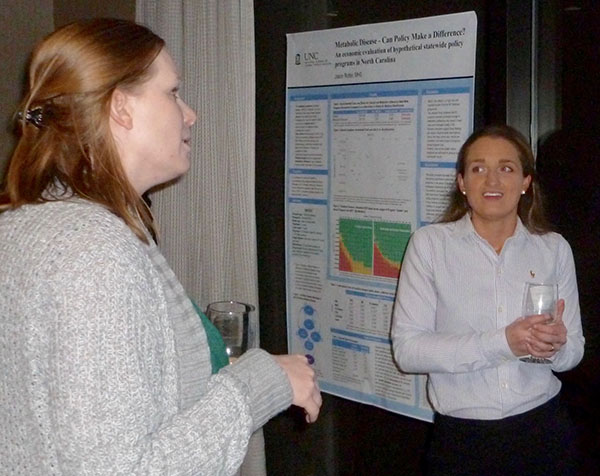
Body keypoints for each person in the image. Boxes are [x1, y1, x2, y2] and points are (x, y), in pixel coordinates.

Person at [0, 18, 321, 475]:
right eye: (172, 92)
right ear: (121, 107)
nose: (190, 114)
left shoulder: (28, 225)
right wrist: (265, 382)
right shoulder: (91, 251)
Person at [391, 125, 584, 476]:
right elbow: (408, 350)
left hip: (545, 431)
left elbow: (573, 353)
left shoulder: (553, 248)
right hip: (463, 441)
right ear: (462, 182)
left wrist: (555, 345)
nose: (492, 180)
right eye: (478, 168)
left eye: (506, 168)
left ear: (525, 182)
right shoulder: (430, 245)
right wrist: (503, 342)